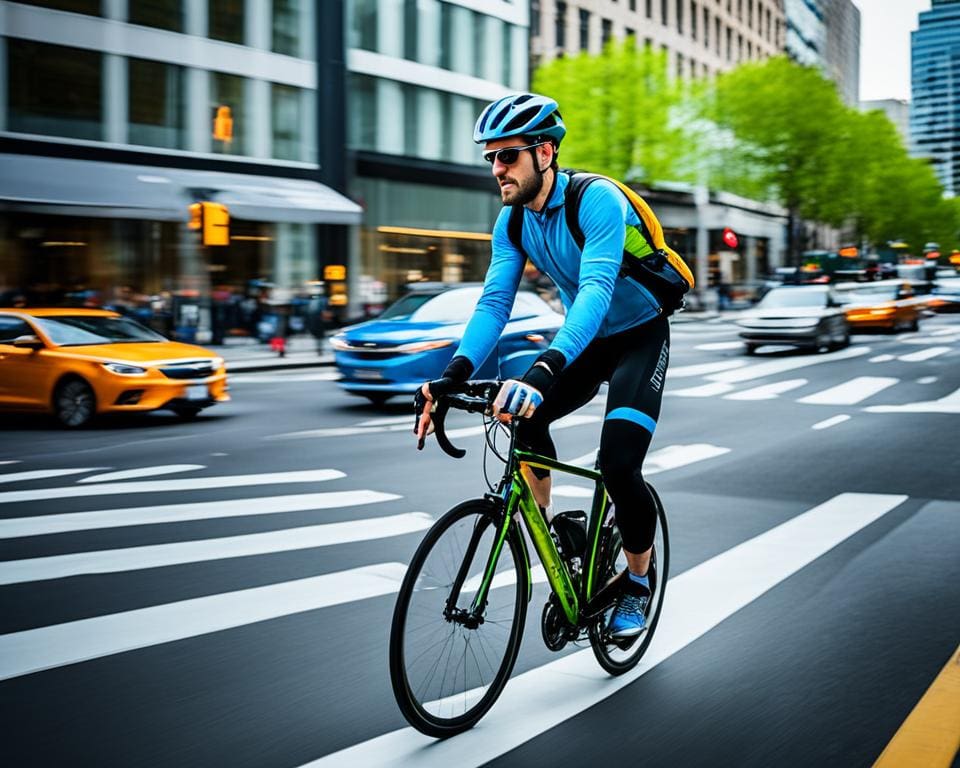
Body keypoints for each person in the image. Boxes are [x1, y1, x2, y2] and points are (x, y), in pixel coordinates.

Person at [415, 92, 671, 640]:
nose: (496, 168)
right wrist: (452, 376)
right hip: (588, 340)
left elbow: (598, 287)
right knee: (523, 418)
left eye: (507, 155)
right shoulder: (511, 222)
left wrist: (544, 368)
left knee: (619, 464)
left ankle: (638, 583)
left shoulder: (597, 200)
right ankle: (556, 541)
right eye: (490, 157)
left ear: (546, 152)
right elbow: (493, 302)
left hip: (638, 335)